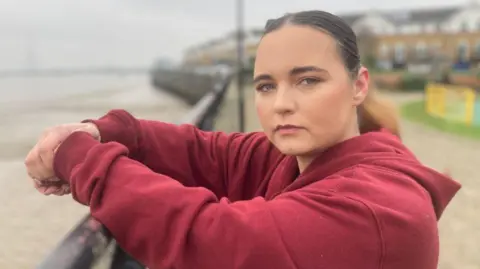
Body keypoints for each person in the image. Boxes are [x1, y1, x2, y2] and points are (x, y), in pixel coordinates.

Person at [25, 10, 461, 269]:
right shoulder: (303, 157)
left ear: (358, 85)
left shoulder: (378, 210)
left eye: (307, 81)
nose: (281, 105)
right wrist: (109, 131)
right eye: (266, 86)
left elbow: (213, 240)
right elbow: (209, 153)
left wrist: (79, 159)